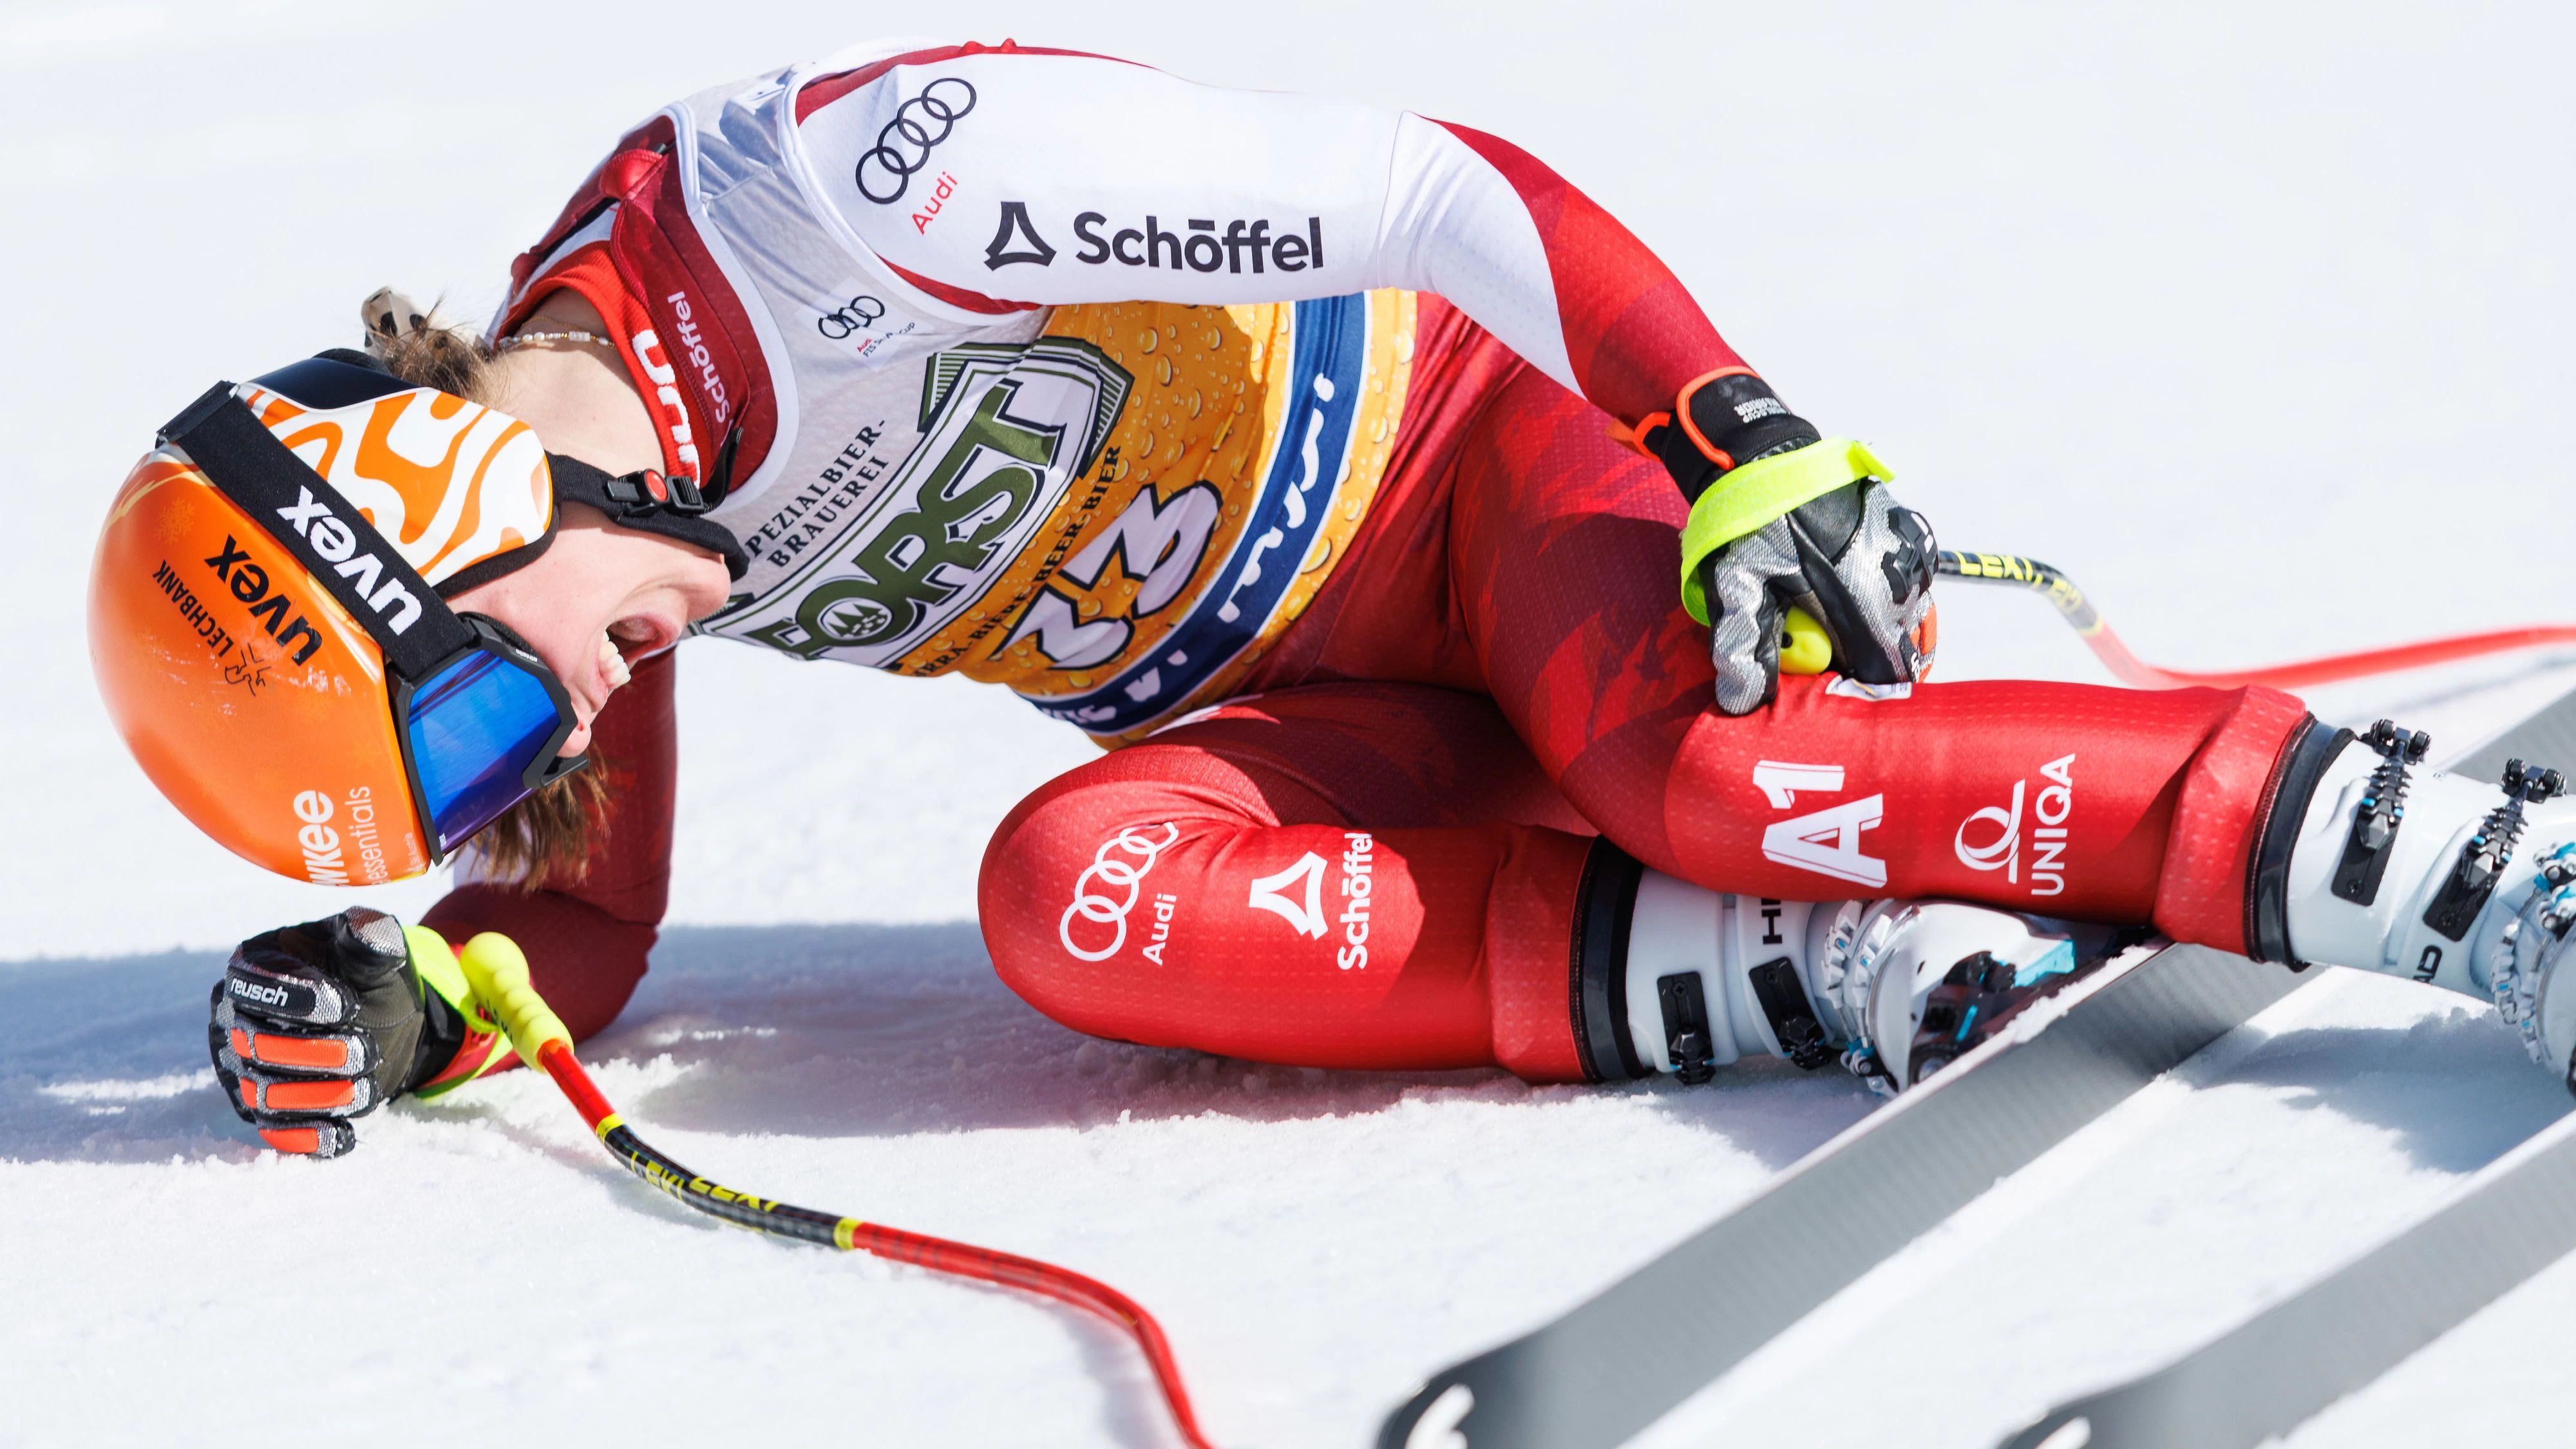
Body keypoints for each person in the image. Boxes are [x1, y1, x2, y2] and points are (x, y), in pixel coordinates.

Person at [88, 39, 2576, 1159]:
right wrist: (413, 993)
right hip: (1318, 701)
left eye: (476, 732)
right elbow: (585, 939)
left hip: (1495, 486)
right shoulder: (587, 527)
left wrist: (1724, 424)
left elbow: (1422, 187)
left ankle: (2490, 881)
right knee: (1082, 902)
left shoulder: (845, 199)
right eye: (476, 778)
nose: (537, 767)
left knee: (1678, 757)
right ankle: (1786, 953)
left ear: (432, 490)